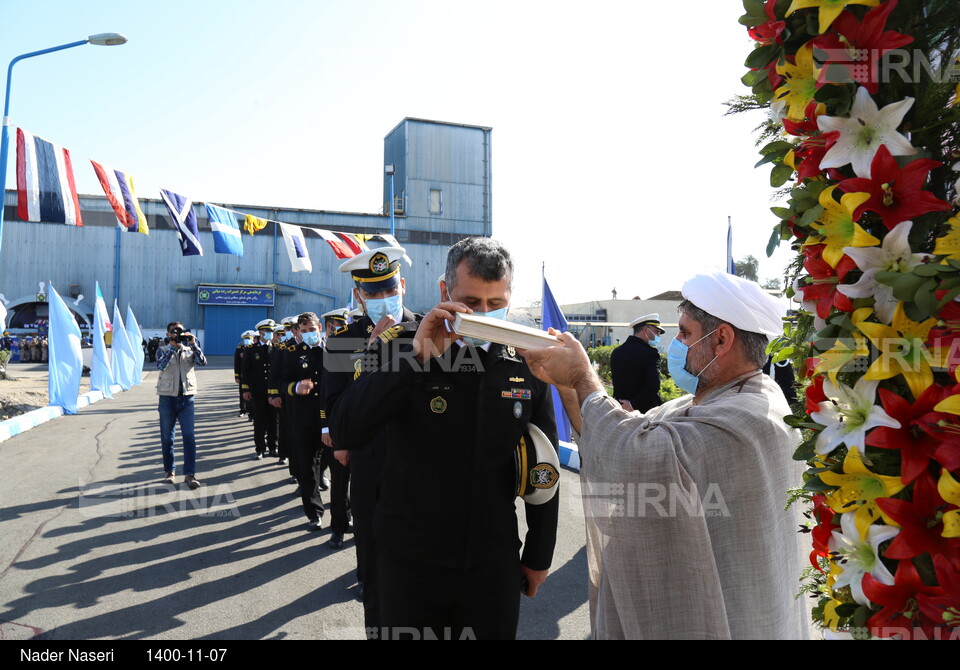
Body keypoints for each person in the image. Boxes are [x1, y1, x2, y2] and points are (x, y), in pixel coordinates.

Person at [521, 271, 807, 640]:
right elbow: (612, 435)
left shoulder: (751, 415)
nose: (676, 343)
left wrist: (582, 374)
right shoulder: (708, 401)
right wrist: (566, 385)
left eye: (685, 334)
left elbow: (633, 455)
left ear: (721, 338)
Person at [329, 238, 558, 640]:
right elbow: (346, 428)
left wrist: (539, 555)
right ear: (445, 292)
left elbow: (544, 465)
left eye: (495, 302)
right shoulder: (400, 345)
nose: (484, 314)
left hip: (491, 561)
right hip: (410, 562)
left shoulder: (527, 359)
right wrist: (416, 359)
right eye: (472, 301)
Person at [324, 250, 416, 628]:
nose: (382, 300)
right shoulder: (342, 341)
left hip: (419, 462)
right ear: (359, 295)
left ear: (403, 286)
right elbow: (336, 406)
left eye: (389, 290)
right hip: (368, 459)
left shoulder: (427, 330)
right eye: (372, 293)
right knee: (372, 550)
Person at [285, 312, 328, 531]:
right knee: (307, 467)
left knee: (337, 465)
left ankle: (344, 513)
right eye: (304, 331)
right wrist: (295, 388)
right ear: (298, 332)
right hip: (305, 417)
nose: (309, 334)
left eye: (312, 329)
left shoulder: (333, 349)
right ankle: (314, 513)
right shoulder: (292, 354)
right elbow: (280, 381)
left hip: (331, 416)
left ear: (319, 327)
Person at [156, 321, 207, 488]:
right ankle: (170, 472)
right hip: (167, 399)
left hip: (186, 399)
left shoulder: (189, 350)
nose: (176, 333)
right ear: (168, 333)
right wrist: (172, 346)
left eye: (179, 330)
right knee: (166, 438)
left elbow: (202, 362)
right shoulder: (162, 349)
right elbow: (160, 365)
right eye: (173, 331)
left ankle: (190, 474)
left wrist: (193, 344)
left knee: (189, 437)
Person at [610, 313, 664, 412]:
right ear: (646, 330)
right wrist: (632, 404)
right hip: (645, 412)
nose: (658, 336)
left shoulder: (617, 351)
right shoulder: (650, 353)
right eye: (657, 332)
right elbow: (653, 386)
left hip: (620, 409)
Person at [242, 319, 278, 459]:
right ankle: (260, 448)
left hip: (273, 391)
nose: (269, 333)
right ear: (261, 332)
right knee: (259, 420)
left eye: (271, 331)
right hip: (257, 391)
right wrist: (246, 390)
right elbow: (246, 370)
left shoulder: (276, 348)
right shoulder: (251, 349)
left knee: (273, 420)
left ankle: (273, 447)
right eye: (267, 331)